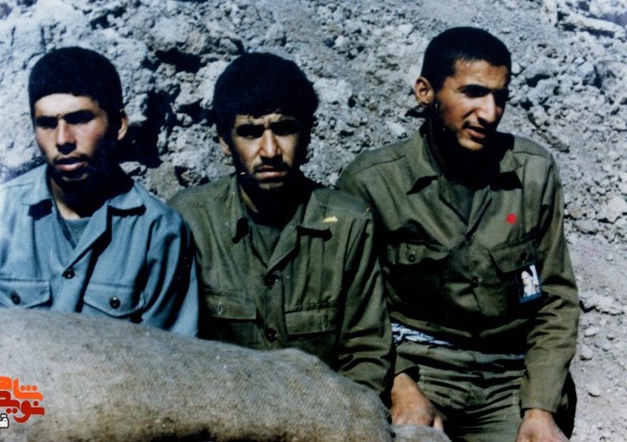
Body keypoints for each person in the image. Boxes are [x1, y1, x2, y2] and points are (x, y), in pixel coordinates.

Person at [338, 27, 579, 441]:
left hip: (509, 377)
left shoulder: (533, 173)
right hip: (417, 368)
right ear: (425, 92)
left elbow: (555, 299)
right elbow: (351, 309)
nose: (490, 113)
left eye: (499, 97)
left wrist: (540, 406)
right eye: (472, 93)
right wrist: (398, 384)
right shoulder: (372, 183)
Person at [168, 52, 392, 396]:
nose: (270, 150)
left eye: (284, 129)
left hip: (322, 413)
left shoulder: (347, 224)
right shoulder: (191, 220)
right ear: (224, 141)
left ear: (307, 134)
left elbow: (366, 354)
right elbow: (173, 349)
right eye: (250, 133)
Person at [0, 47, 198, 335]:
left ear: (119, 125)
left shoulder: (159, 232)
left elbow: (169, 354)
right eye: (47, 124)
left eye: (80, 119)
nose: (63, 140)